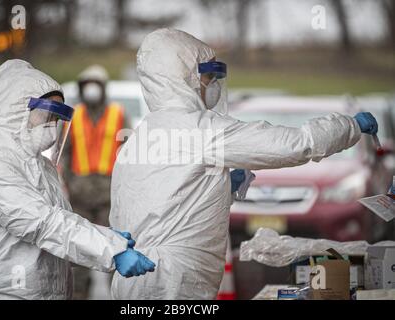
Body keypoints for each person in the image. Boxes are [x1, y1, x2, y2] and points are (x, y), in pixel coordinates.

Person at [109, 28, 378, 300]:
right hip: (173, 282)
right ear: (183, 77)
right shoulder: (201, 130)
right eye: (207, 76)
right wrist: (350, 126)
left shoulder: (139, 137)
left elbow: (168, 208)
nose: (211, 84)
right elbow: (295, 144)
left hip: (135, 280)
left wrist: (223, 189)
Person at [0, 59, 155, 300]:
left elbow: (60, 229)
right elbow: (43, 223)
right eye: (46, 115)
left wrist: (104, 236)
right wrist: (110, 248)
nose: (52, 126)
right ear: (15, 111)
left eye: (56, 118)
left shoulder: (41, 167)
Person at [60, 65, 129, 298]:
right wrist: (71, 183)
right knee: (79, 251)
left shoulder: (118, 114)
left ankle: (119, 295)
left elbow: (129, 152)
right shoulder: (74, 115)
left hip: (109, 195)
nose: (91, 89)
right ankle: (79, 294)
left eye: (95, 84)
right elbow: (65, 153)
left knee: (117, 247)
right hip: (81, 195)